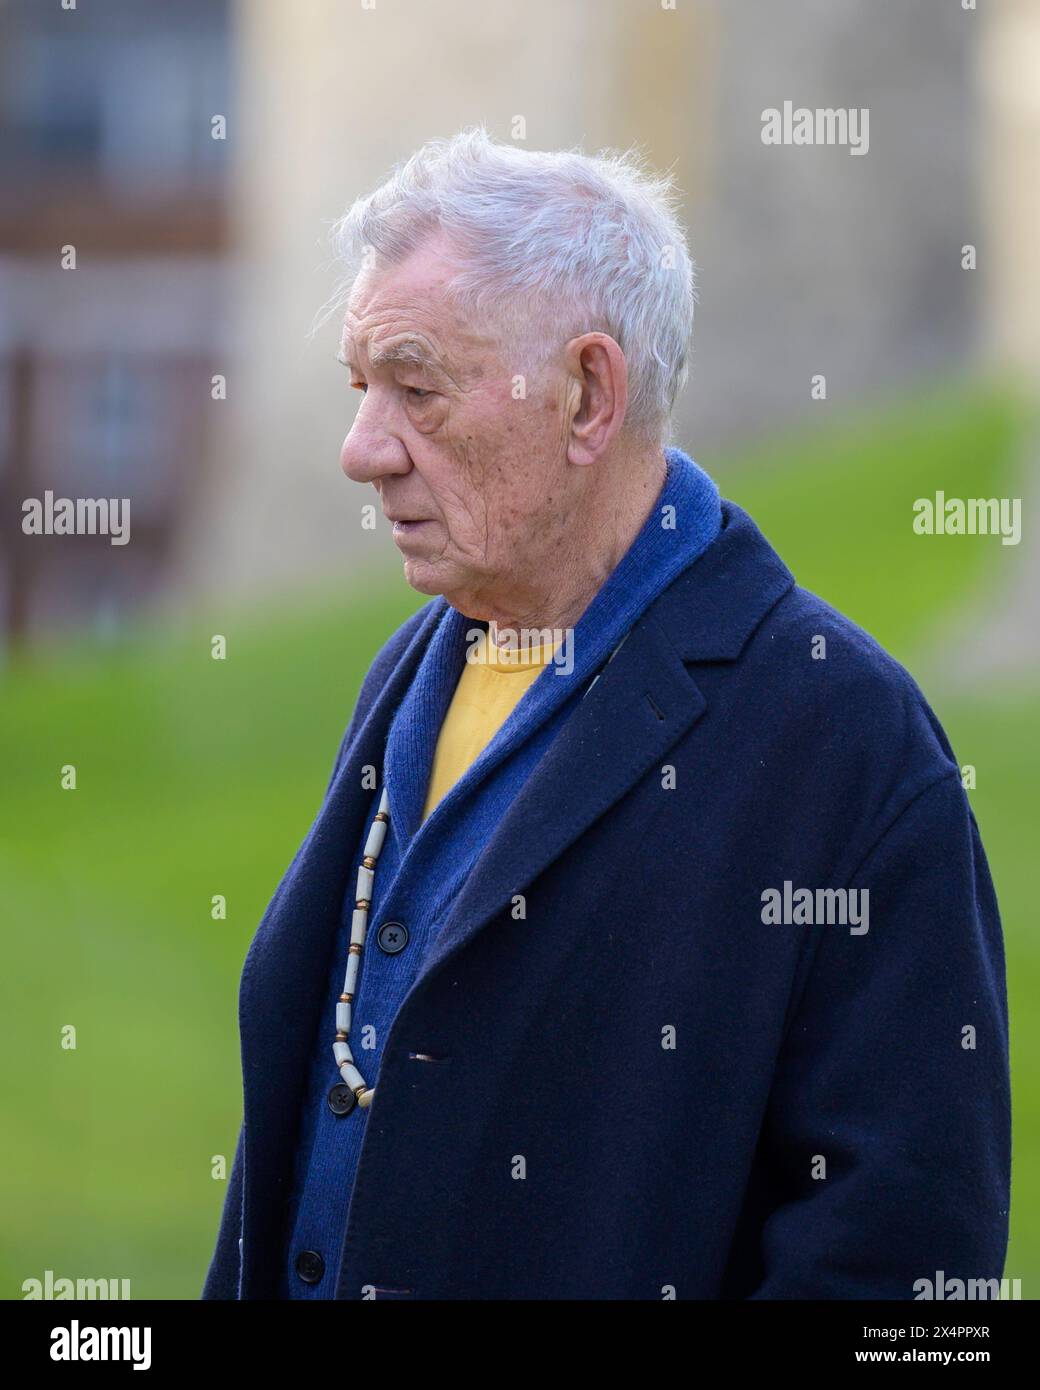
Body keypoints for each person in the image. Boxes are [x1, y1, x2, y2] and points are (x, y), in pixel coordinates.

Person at [202, 128, 1010, 1300]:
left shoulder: (844, 735)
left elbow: (898, 1259)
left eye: (415, 389)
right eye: (359, 388)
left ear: (587, 395)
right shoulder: (412, 669)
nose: (359, 450)